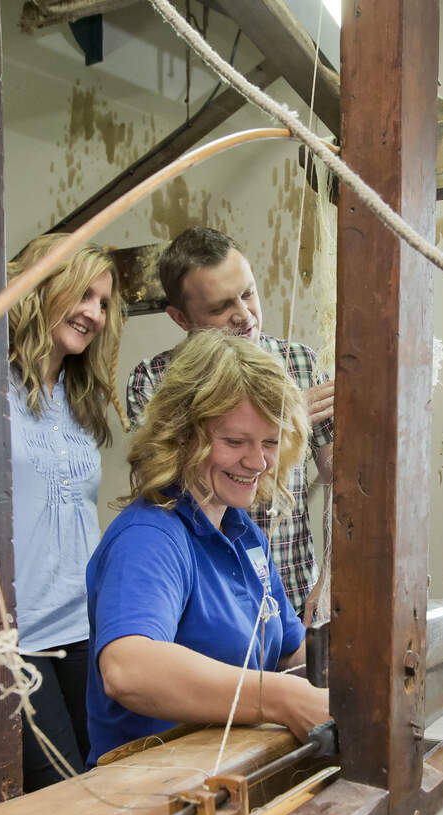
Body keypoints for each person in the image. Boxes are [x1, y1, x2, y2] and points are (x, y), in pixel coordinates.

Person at [86, 330, 331, 765]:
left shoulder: (244, 534)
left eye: (270, 442)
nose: (257, 462)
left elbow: (290, 651)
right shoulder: (149, 537)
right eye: (235, 442)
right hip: (152, 798)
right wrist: (278, 698)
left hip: (229, 774)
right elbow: (128, 670)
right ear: (182, 436)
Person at [126, 226, 336, 623]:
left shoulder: (302, 365)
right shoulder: (153, 380)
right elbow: (163, 484)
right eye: (221, 307)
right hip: (201, 610)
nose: (244, 316)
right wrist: (284, 421)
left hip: (292, 599)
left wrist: (331, 576)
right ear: (180, 317)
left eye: (248, 293)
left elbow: (339, 480)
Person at [5, 233, 124, 791]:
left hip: (84, 624)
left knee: (104, 776)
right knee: (61, 792)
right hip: (17, 637)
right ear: (40, 287)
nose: (93, 313)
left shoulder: (81, 397)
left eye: (103, 302)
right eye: (82, 294)